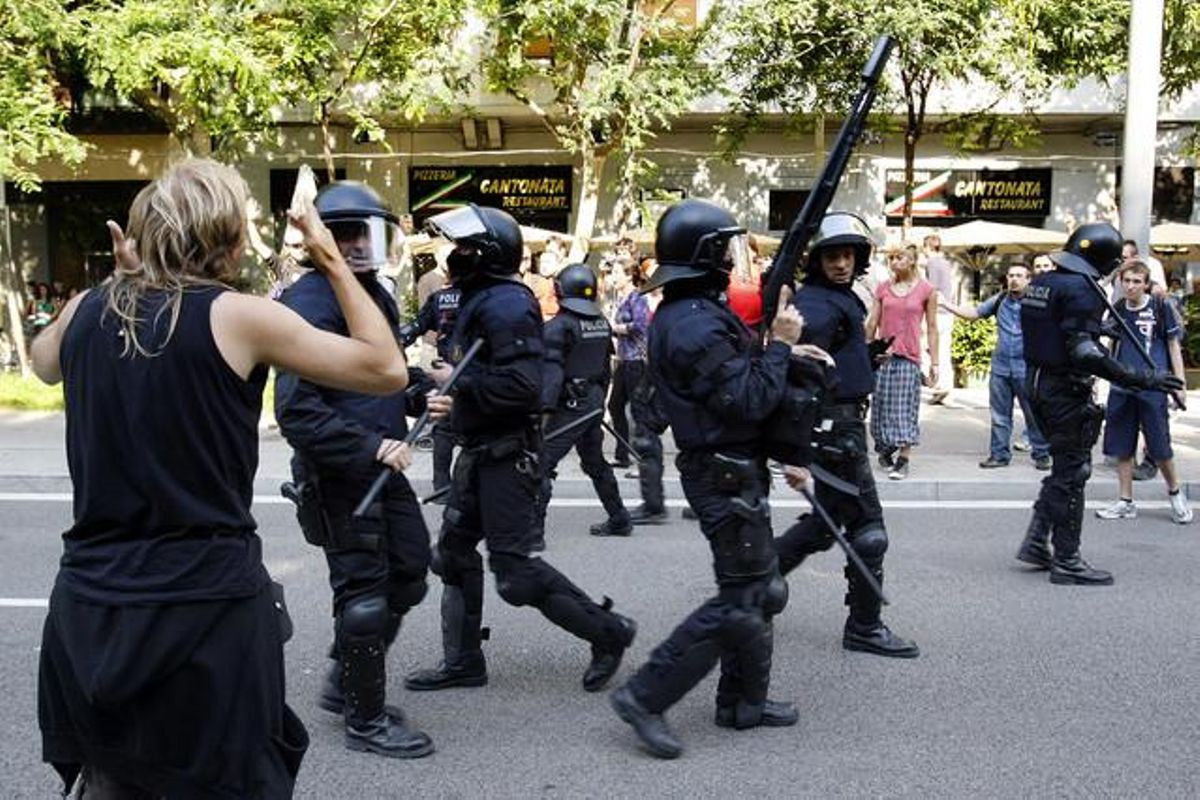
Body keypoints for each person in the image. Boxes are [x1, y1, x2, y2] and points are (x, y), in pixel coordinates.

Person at [32, 158, 410, 797]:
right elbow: (384, 369)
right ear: (229, 240)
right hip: (202, 609)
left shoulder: (86, 312)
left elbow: (44, 365)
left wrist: (119, 280)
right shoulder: (237, 316)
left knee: (114, 781)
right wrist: (332, 260)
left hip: (90, 607)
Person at [404, 204, 636, 695]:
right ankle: (464, 661)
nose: (454, 255)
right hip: (480, 450)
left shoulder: (506, 304)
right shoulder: (477, 298)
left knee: (515, 575)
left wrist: (460, 386)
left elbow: (524, 387)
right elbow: (473, 375)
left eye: (465, 247)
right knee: (452, 554)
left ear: (488, 252)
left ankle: (609, 632)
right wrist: (437, 393)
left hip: (508, 458)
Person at [610, 199, 802, 760]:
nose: (729, 257)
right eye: (721, 247)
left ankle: (742, 703)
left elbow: (738, 378)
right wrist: (783, 345)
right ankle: (646, 696)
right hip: (722, 474)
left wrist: (780, 353)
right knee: (744, 598)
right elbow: (747, 400)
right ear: (702, 255)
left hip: (730, 470)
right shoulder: (693, 323)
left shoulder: (693, 311)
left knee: (757, 590)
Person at [274, 181, 437, 760]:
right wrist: (371, 447)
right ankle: (364, 719)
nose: (361, 244)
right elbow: (296, 410)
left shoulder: (374, 296)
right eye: (346, 232)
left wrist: (421, 393)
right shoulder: (310, 302)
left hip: (379, 466)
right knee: (364, 595)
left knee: (412, 571)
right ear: (322, 239)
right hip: (340, 473)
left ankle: (344, 683)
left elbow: (379, 377)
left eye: (368, 231)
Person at [774, 211, 920, 659]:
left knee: (826, 523)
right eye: (832, 256)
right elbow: (800, 365)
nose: (841, 263)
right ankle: (864, 627)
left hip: (840, 423)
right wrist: (796, 444)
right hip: (836, 429)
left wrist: (861, 359)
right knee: (869, 531)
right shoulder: (818, 302)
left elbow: (827, 357)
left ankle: (751, 580)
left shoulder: (838, 296)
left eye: (848, 255)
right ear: (817, 261)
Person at [1016, 223, 1184, 585]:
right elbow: (1084, 353)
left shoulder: (1044, 283)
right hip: (1063, 389)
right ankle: (1067, 560)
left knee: (1063, 470)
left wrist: (1096, 330)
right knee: (1074, 473)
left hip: (1036, 382)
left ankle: (1036, 542)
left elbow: (1057, 331)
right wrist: (1141, 378)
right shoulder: (1081, 289)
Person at [532, 263, 632, 545]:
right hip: (592, 403)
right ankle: (619, 517)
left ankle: (533, 534)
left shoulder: (557, 327)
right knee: (594, 461)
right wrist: (598, 402)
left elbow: (551, 376)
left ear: (561, 291)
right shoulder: (601, 322)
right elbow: (604, 369)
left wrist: (543, 413)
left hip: (569, 407)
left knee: (540, 464)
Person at [1094, 260, 1192, 524]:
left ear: (1146, 284)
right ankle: (1125, 500)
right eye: (1126, 281)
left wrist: (1179, 383)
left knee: (1159, 447)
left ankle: (1175, 493)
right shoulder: (1117, 310)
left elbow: (1173, 345)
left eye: (1137, 281)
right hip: (1122, 386)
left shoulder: (1160, 307)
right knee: (1122, 447)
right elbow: (1108, 346)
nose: (1131, 286)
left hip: (1153, 385)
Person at [944, 263, 1051, 470]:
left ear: (1029, 279)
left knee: (1033, 413)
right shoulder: (1001, 299)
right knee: (999, 415)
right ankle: (999, 454)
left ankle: (1042, 453)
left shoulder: (1037, 302)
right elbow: (975, 313)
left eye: (1019, 276)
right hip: (1001, 367)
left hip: (1026, 367)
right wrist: (946, 304)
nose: (1014, 279)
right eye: (1011, 275)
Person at [866, 242, 938, 480]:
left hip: (908, 357)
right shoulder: (883, 288)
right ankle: (885, 449)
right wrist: (866, 352)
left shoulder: (926, 290)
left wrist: (934, 363)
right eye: (892, 258)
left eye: (900, 258)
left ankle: (904, 458)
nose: (894, 262)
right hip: (883, 356)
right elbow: (872, 322)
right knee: (880, 413)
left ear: (912, 261)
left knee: (904, 409)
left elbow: (932, 327)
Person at [400, 270, 462, 495]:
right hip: (476, 371)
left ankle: (442, 488)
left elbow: (413, 328)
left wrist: (395, 346)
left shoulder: (440, 299)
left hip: (445, 371)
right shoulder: (486, 296)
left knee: (444, 431)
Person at [606, 257, 650, 470]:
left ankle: (642, 457)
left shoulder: (637, 297)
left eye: (616, 272)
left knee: (638, 409)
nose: (613, 277)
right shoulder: (620, 298)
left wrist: (616, 328)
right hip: (623, 359)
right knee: (614, 405)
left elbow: (641, 325)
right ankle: (623, 453)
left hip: (636, 360)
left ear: (627, 275)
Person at [922, 233, 955, 404]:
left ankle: (938, 385)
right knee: (944, 351)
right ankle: (944, 387)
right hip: (947, 311)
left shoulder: (931, 263)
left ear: (927, 247)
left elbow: (930, 289)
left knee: (927, 348)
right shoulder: (946, 263)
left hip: (936, 311)